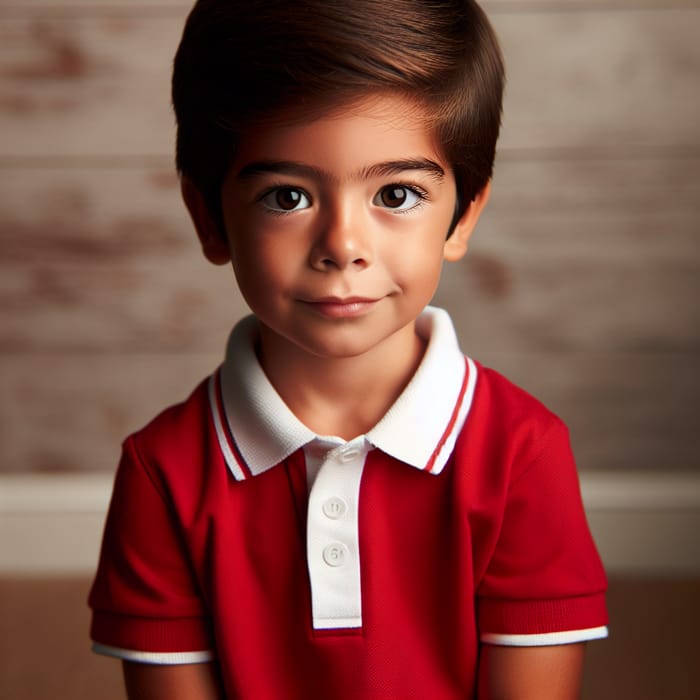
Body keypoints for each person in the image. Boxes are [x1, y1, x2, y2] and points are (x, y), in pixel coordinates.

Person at [88, 0, 608, 697]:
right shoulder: (162, 473)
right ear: (209, 219)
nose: (343, 247)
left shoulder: (522, 454)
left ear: (463, 216)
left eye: (396, 193)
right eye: (286, 198)